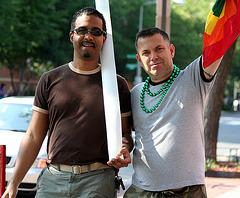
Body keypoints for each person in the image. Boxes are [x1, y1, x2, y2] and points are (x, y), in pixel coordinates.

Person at [2, 7, 133, 198]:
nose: (89, 36)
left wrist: (124, 149)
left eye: (96, 32)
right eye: (82, 30)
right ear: (72, 36)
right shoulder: (49, 80)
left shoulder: (116, 84)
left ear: (103, 39)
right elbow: (32, 136)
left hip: (97, 180)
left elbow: (125, 134)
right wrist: (14, 183)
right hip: (53, 180)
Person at [123, 27, 223, 198]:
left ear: (171, 50)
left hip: (188, 192)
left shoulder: (193, 78)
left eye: (159, 49)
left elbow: (217, 47)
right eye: (146, 53)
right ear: (140, 60)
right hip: (142, 191)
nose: (153, 57)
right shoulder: (135, 94)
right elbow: (124, 135)